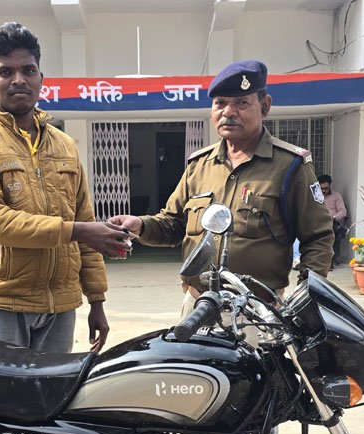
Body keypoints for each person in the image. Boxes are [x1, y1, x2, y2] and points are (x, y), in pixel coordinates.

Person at [0, 22, 130, 353]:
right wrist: (77, 231)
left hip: (62, 304)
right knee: (2, 387)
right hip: (3, 300)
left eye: (28, 70)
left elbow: (85, 219)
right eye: (6, 72)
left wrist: (97, 300)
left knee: (53, 386)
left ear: (41, 78)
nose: (19, 80)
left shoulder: (64, 144)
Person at [110, 60, 333, 304]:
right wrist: (140, 225)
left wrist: (305, 295)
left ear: (265, 106)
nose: (228, 112)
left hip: (258, 310)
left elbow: (318, 237)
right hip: (198, 304)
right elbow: (173, 225)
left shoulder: (289, 166)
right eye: (220, 103)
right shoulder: (199, 165)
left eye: (241, 103)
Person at [317, 175, 348, 268]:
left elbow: (343, 211)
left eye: (326, 188)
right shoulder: (313, 196)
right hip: (317, 223)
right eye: (321, 188)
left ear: (330, 185)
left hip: (331, 222)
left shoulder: (336, 196)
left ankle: (328, 260)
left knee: (329, 232)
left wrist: (334, 217)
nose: (323, 191)